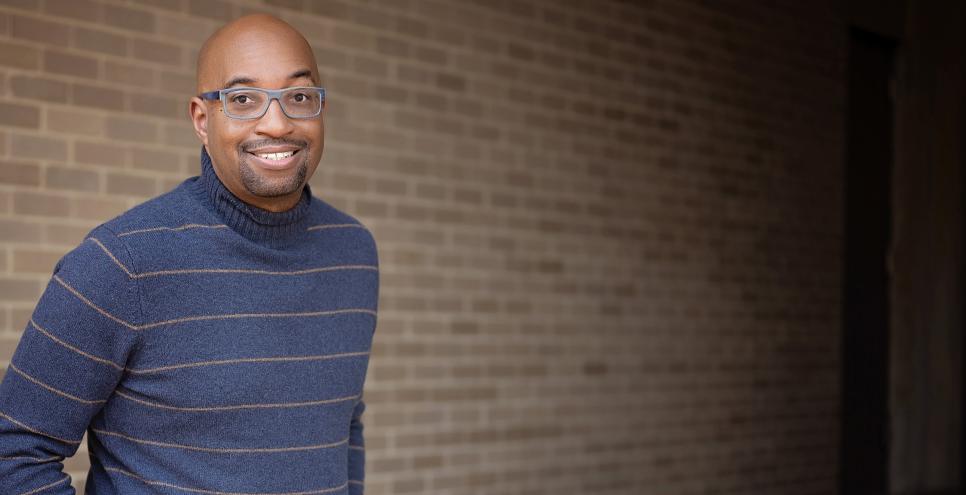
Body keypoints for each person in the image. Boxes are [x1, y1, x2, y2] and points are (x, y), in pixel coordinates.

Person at [0, 13, 378, 494]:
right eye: (244, 100)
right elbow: (14, 454)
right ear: (203, 119)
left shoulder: (354, 252)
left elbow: (345, 423)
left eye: (299, 97)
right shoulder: (123, 263)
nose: (278, 123)